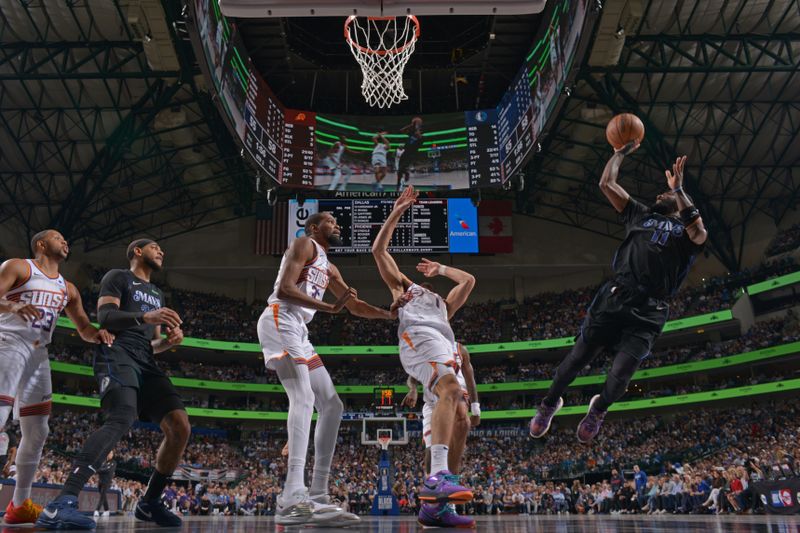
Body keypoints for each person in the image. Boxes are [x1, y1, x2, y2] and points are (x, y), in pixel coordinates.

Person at [530, 148, 707, 442]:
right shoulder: (640, 214)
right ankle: (549, 404)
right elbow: (606, 184)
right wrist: (619, 152)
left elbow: (699, 230)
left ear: (681, 205)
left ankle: (598, 409)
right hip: (616, 296)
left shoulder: (688, 235)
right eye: (664, 192)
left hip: (650, 310)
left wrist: (678, 190)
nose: (661, 194)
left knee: (622, 373)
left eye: (668, 194)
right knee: (576, 360)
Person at [257, 211, 401, 527]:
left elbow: (353, 305)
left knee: (332, 405)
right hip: (280, 318)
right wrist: (329, 308)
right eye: (330, 221)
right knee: (304, 397)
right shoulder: (303, 244)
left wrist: (388, 316)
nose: (337, 225)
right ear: (313, 227)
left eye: (337, 222)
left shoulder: (330, 266)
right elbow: (284, 289)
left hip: (299, 330)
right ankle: (292, 496)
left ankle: (318, 496)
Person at [38, 239, 189, 530]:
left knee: (180, 426)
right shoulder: (118, 277)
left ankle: (149, 503)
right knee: (122, 417)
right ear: (137, 251)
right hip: (117, 352)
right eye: (154, 247)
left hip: (145, 358)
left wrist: (166, 342)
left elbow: (150, 343)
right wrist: (146, 316)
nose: (161, 251)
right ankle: (63, 501)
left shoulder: (157, 293)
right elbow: (106, 317)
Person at [371, 185, 476, 527]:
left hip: (443, 346)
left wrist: (441, 268)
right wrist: (398, 210)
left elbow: (469, 280)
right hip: (418, 338)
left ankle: (440, 504)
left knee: (460, 414)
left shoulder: (444, 307)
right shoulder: (406, 289)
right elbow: (378, 249)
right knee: (449, 391)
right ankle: (437, 477)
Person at [0, 230, 114, 527]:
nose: (65, 241)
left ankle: (19, 504)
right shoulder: (19, 267)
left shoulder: (68, 288)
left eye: (66, 239)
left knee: (38, 431)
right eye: (58, 237)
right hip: (7, 344)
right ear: (41, 244)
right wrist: (12, 305)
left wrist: (97, 334)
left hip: (38, 356)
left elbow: (84, 328)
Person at [403, 341, 479, 527]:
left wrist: (476, 408)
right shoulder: (427, 341)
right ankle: (431, 505)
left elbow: (470, 378)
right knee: (432, 453)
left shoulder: (460, 349)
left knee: (453, 456)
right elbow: (413, 375)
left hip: (459, 400)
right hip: (433, 404)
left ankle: (446, 508)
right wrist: (412, 389)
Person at [396, 117, 423, 190]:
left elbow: (419, 136)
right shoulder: (412, 133)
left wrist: (417, 125)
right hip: (405, 153)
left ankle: (406, 173)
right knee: (399, 171)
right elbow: (401, 130)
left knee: (401, 169)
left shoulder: (422, 136)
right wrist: (411, 125)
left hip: (411, 155)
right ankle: (398, 186)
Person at [94, 451, 116, 518]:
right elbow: (101, 469)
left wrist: (98, 470)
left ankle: (97, 510)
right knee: (103, 496)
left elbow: (107, 470)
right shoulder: (104, 462)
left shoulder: (113, 462)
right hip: (100, 481)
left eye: (112, 453)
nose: (110, 454)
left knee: (102, 496)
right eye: (109, 453)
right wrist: (99, 470)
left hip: (106, 482)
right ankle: (107, 510)